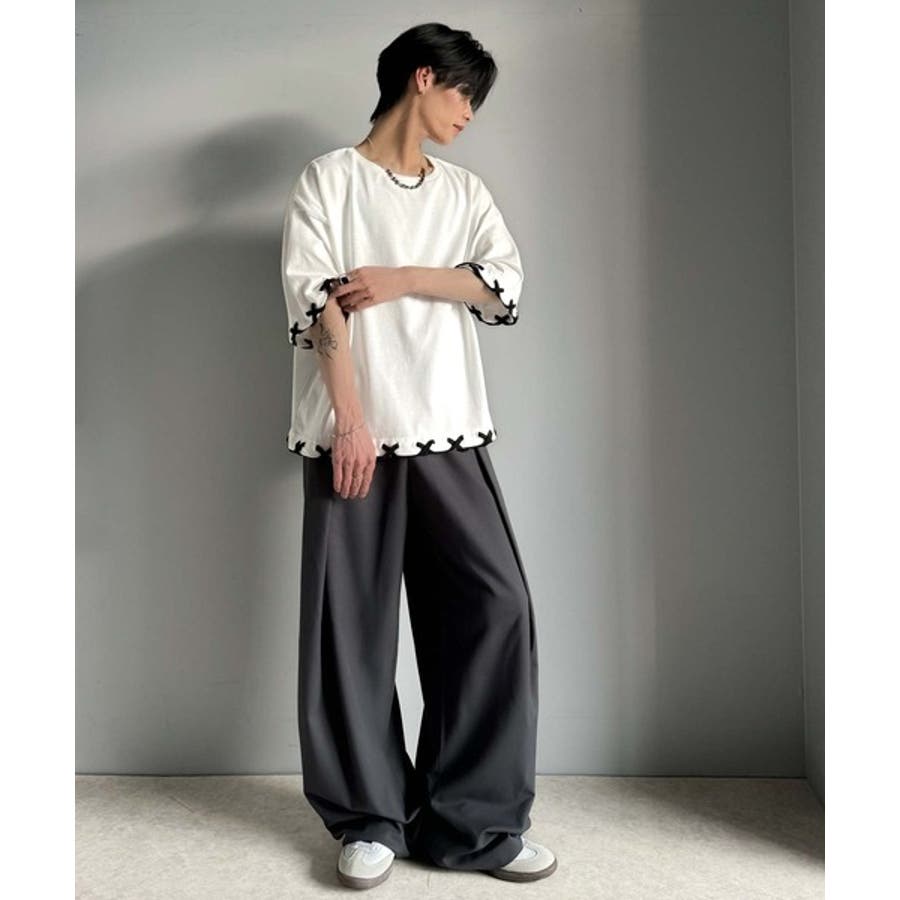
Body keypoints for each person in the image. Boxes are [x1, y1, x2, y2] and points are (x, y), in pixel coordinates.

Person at [280, 22, 556, 890]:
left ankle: (473, 822)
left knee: (495, 607)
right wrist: (351, 422)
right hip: (353, 435)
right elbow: (317, 302)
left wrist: (403, 276)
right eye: (466, 94)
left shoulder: (464, 192)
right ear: (425, 77)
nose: (470, 114)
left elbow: (502, 285)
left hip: (447, 428)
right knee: (351, 629)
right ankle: (369, 819)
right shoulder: (328, 179)